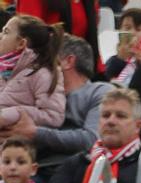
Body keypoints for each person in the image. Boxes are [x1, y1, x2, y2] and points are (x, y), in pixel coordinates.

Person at [31, 37, 110, 171]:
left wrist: (35, 132)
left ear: (68, 61)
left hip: (72, 171)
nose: (38, 65)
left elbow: (92, 139)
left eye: (46, 58)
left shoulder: (99, 92)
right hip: (28, 169)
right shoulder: (37, 93)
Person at [0, 16, 64, 138]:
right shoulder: (3, 70)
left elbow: (53, 116)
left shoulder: (42, 74)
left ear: (21, 43)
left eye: (6, 32)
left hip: (17, 151)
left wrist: (13, 114)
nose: (0, 36)